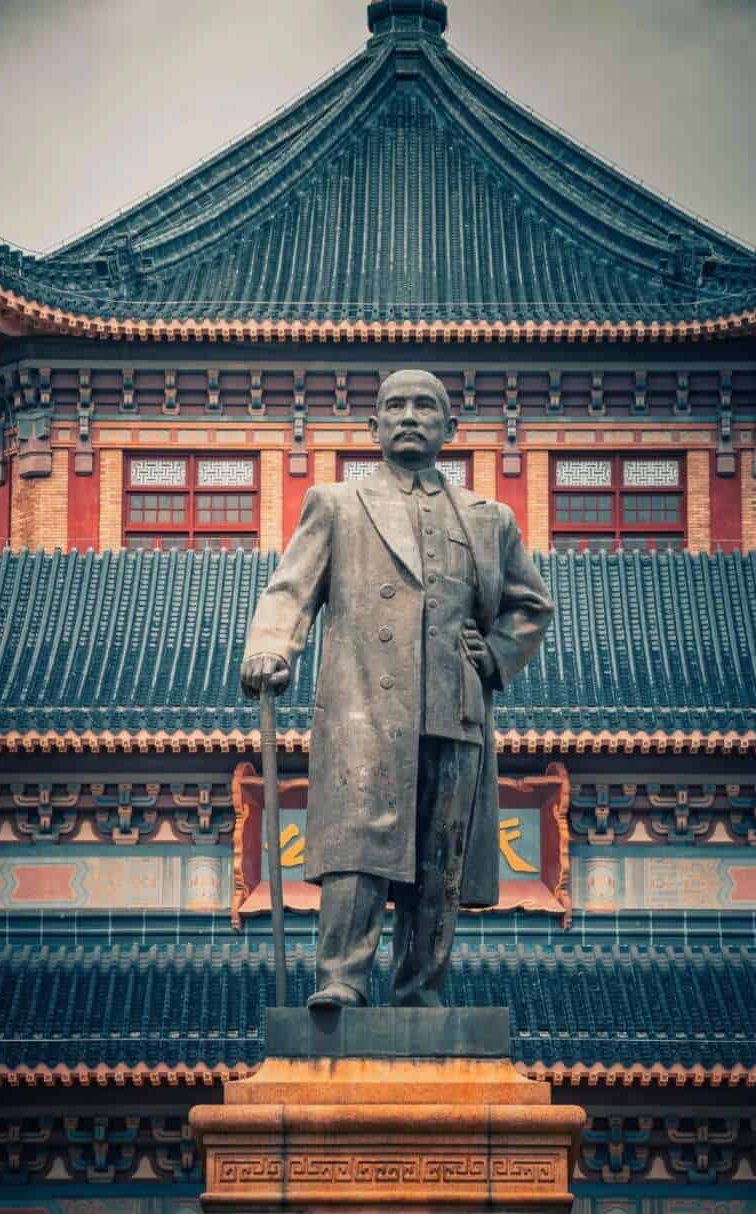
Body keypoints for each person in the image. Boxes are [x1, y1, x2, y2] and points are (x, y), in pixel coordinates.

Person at [240, 369, 552, 1007]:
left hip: (454, 707)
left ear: (450, 428)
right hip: (363, 705)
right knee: (357, 844)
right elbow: (291, 589)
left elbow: (531, 606)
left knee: (441, 855)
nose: (409, 416)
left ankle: (420, 989)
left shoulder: (489, 519)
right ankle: (342, 979)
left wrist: (493, 657)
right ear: (373, 427)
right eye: (395, 406)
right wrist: (272, 648)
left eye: (424, 406)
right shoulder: (337, 506)